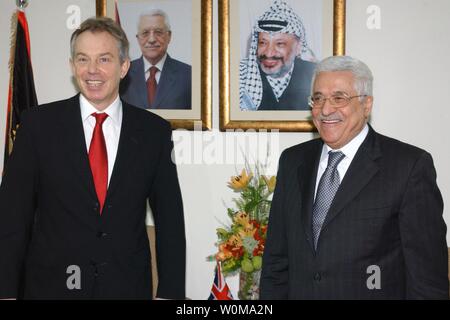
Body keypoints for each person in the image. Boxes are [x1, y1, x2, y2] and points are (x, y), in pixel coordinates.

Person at [0, 17, 186, 300]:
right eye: (83, 59)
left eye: (104, 59)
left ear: (124, 67)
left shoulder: (154, 133)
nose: (92, 71)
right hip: (51, 288)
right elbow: (12, 218)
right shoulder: (38, 125)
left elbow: (170, 220)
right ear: (72, 66)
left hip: (126, 288)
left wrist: (169, 294)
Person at [260, 55, 449, 299]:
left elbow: (427, 281)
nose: (326, 109)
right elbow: (276, 261)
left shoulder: (409, 166)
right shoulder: (292, 161)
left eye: (339, 98)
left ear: (366, 104)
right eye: (318, 98)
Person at [239, 0, 315, 111]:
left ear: (298, 47)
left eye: (279, 44)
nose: (269, 53)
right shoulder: (242, 76)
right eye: (263, 42)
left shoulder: (315, 74)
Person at [120, 9, 191, 110]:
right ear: (138, 38)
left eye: (158, 32)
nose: (152, 39)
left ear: (169, 36)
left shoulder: (189, 75)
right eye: (145, 33)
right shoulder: (123, 73)